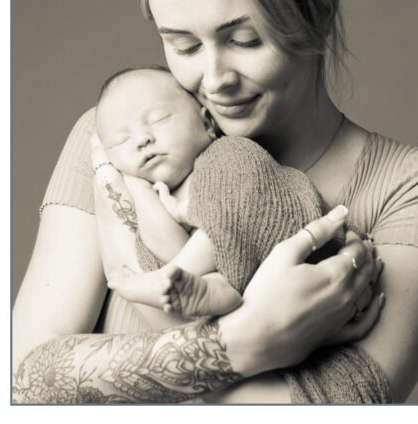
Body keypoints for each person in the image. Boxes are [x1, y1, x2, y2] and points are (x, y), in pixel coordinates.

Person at [12, 0, 418, 404]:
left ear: (321, 14)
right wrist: (244, 342)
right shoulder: (120, 137)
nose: (213, 81)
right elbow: (25, 376)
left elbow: (339, 422)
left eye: (244, 39)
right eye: (184, 47)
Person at [92, 65, 338, 321]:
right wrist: (137, 188)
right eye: (121, 141)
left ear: (207, 123)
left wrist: (181, 260)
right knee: (203, 278)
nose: (142, 139)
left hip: (292, 246)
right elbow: (168, 247)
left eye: (158, 120)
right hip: (245, 289)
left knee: (235, 178)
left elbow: (249, 200)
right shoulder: (154, 195)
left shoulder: (226, 157)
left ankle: (187, 278)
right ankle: (215, 294)